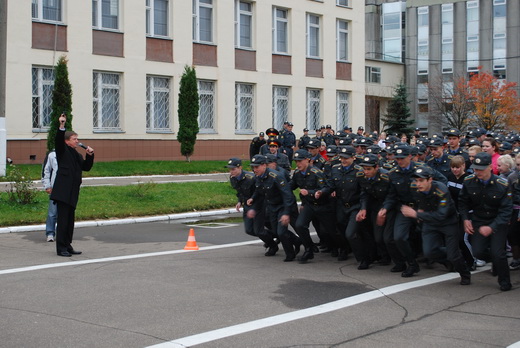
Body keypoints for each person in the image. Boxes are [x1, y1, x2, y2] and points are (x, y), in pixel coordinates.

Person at [401, 166, 471, 285]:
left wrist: (416, 214)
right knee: (429, 252)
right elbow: (420, 201)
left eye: (421, 180)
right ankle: (450, 258)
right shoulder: (414, 187)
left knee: (453, 255)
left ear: (430, 180)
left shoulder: (441, 189)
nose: (418, 184)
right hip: (430, 223)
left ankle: (464, 273)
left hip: (448, 222)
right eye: (416, 180)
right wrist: (420, 210)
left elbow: (441, 215)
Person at [458, 152, 513, 291]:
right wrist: (465, 219)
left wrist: (492, 227)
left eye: (481, 169)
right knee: (477, 252)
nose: (477, 172)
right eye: (475, 169)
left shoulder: (502, 184)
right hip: (479, 220)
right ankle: (495, 260)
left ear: (490, 167)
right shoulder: (469, 181)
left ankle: (504, 280)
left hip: (497, 221)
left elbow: (506, 210)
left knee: (498, 253)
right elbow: (463, 203)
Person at [50, 114, 94, 257]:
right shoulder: (62, 151)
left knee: (70, 221)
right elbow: (58, 140)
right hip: (63, 192)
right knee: (63, 221)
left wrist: (90, 155)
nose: (77, 141)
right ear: (67, 141)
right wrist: (62, 126)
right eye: (74, 139)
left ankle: (68, 245)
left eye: (77, 139)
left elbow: (86, 167)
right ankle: (61, 248)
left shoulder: (76, 155)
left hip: (73, 192)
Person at [247, 155, 300, 262]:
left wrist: (286, 213)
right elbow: (258, 190)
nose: (254, 169)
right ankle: (297, 241)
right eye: (253, 167)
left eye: (257, 167)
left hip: (282, 206)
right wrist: (252, 198)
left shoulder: (276, 176)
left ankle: (290, 254)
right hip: (272, 206)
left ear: (264, 165)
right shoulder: (258, 176)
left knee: (281, 232)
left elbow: (287, 195)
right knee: (276, 231)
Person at [226, 157, 278, 256]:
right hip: (247, 205)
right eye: (230, 169)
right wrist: (239, 201)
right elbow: (240, 191)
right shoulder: (233, 178)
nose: (231, 171)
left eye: (233, 169)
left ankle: (273, 245)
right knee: (249, 230)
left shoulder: (251, 178)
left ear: (240, 167)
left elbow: (259, 192)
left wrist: (254, 207)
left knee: (260, 230)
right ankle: (274, 236)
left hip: (258, 205)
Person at [290, 149, 335, 263]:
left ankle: (339, 247)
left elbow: (325, 189)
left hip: (323, 205)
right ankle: (309, 250)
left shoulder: (317, 173)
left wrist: (310, 192)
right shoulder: (297, 174)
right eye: (296, 161)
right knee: (300, 225)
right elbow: (291, 186)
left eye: (300, 161)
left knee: (331, 230)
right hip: (309, 205)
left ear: (308, 160)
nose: (298, 164)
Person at [41, 150, 58, 242]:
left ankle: (62, 234)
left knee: (64, 214)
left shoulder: (71, 153)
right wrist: (47, 186)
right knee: (52, 212)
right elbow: (46, 170)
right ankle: (50, 233)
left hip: (67, 190)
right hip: (54, 188)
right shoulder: (52, 155)